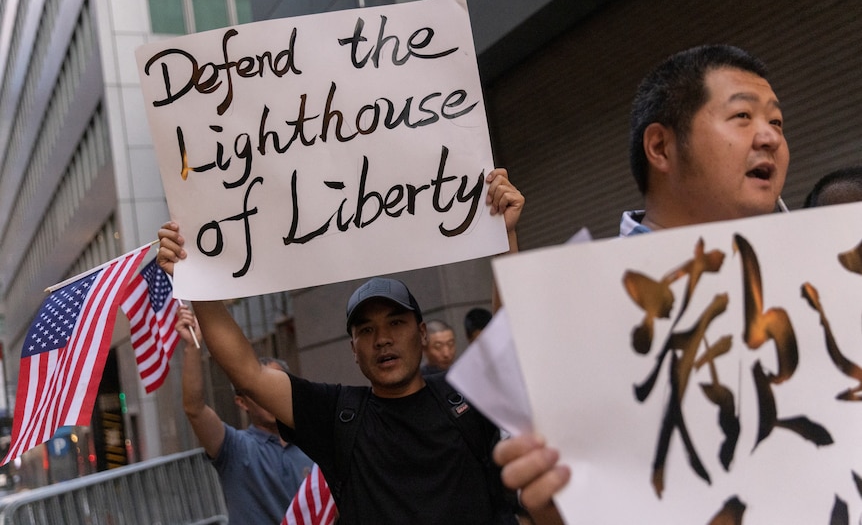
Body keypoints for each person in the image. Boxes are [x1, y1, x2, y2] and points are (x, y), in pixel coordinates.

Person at [493, 44, 789, 523]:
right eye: (742, 117)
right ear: (660, 147)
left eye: (777, 122)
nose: (769, 138)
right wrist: (551, 511)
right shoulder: (570, 312)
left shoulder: (819, 286)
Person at [158, 169, 527, 524]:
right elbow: (248, 374)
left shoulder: (464, 395)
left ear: (422, 333)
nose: (382, 339)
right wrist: (198, 281)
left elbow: (509, 336)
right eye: (366, 330)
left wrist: (504, 235)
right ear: (353, 349)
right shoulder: (338, 416)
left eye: (395, 323)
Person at [177, 306, 314, 525]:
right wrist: (192, 347)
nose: (271, 398)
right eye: (260, 392)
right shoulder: (234, 448)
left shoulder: (315, 442)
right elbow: (195, 409)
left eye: (276, 387)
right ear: (242, 402)